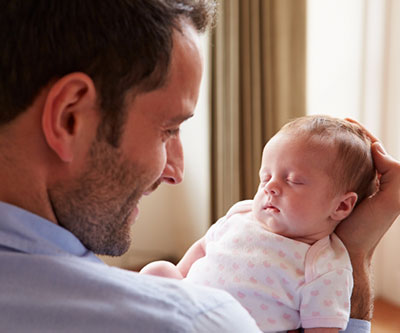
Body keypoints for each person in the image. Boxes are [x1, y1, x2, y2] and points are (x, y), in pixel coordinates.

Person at [0, 1, 399, 332]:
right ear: (71, 117)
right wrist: (359, 253)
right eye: (167, 130)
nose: (176, 170)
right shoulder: (196, 321)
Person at [140, 115, 377, 332]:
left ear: (341, 206)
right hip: (186, 307)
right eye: (265, 177)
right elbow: (203, 247)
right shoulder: (241, 214)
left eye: (292, 180)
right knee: (159, 270)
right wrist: (179, 279)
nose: (270, 187)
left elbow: (323, 327)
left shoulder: (326, 265)